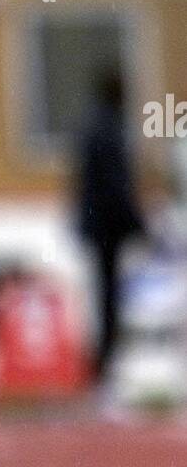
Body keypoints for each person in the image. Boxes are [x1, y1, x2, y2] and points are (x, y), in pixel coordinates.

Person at [74, 65, 145, 381]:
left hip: (97, 224)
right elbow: (115, 184)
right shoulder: (110, 128)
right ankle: (105, 364)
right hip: (108, 227)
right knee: (109, 295)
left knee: (105, 293)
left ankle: (104, 361)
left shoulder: (93, 124)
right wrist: (137, 223)